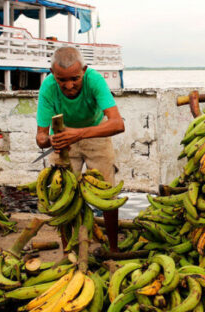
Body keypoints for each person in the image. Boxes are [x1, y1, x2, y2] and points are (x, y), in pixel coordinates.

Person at [35, 46, 125, 252]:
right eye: (62, 80)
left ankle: (114, 248)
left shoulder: (94, 80)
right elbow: (40, 137)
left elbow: (118, 124)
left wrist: (79, 133)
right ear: (53, 75)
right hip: (63, 138)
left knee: (107, 193)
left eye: (75, 78)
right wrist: (50, 140)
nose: (68, 85)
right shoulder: (48, 87)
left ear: (84, 69)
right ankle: (69, 250)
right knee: (63, 194)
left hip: (96, 134)